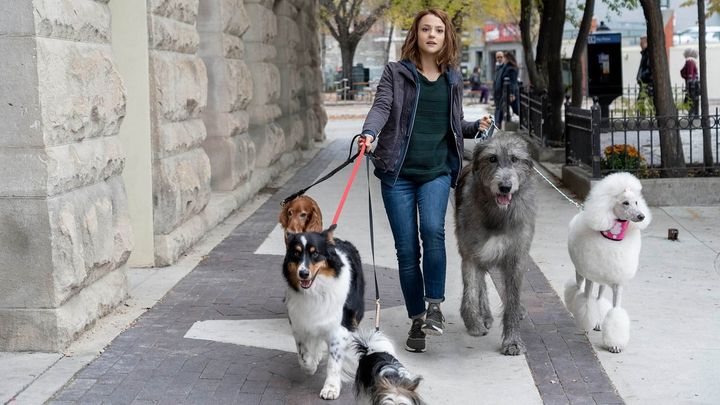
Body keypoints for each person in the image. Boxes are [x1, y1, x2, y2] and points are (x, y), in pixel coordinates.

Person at [357, 8, 491, 353]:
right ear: (415, 35)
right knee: (406, 251)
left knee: (433, 229)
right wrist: (369, 134)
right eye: (426, 29)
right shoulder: (395, 73)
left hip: (435, 171)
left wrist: (473, 127)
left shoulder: (452, 79)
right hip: (397, 174)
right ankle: (416, 319)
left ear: (446, 37)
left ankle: (434, 307)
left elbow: (452, 123)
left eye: (438, 30)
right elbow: (382, 107)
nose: (432, 35)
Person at [493, 51, 519, 126]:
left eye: (503, 57)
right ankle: (498, 124)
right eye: (498, 57)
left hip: (509, 93)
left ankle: (499, 124)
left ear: (507, 58)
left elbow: (513, 82)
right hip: (503, 93)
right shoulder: (505, 67)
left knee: (516, 110)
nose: (502, 59)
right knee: (501, 109)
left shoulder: (511, 68)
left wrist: (512, 93)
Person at [636, 36, 653, 114]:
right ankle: (643, 117)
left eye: (641, 42)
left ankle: (644, 117)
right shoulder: (644, 53)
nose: (640, 44)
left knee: (643, 101)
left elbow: (649, 68)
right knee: (642, 101)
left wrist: (642, 76)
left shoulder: (648, 53)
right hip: (644, 81)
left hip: (647, 81)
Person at [680, 48, 699, 118]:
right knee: (692, 99)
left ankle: (692, 114)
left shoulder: (689, 62)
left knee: (690, 99)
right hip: (693, 84)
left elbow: (689, 74)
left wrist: (687, 78)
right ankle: (694, 114)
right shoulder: (693, 62)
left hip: (690, 85)